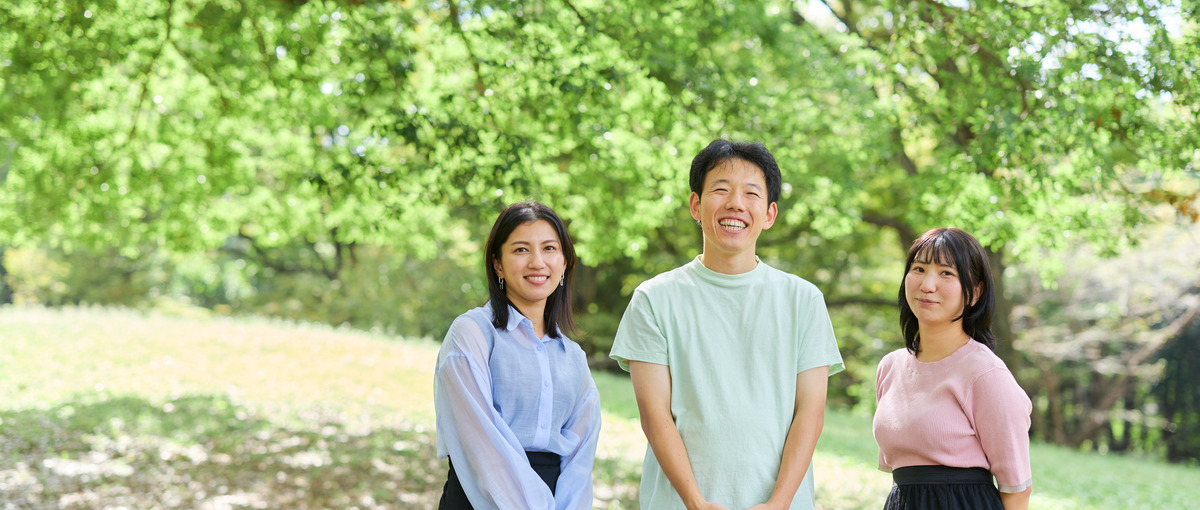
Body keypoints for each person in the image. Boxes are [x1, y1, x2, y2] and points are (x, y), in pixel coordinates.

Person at [609, 139, 844, 509]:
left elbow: (810, 413)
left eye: (751, 193)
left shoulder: (803, 300)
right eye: (721, 189)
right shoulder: (654, 298)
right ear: (696, 205)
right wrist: (696, 503)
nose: (735, 203)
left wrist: (778, 503)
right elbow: (655, 416)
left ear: (769, 214)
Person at [434, 200, 601, 510]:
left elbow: (580, 459)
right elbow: (480, 442)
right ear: (498, 263)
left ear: (564, 263)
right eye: (521, 250)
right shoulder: (471, 333)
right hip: (479, 498)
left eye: (549, 249)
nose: (537, 262)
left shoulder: (573, 358)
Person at [873, 228, 1033, 510]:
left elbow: (1017, 489)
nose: (927, 284)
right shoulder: (890, 367)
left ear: (975, 292)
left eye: (946, 273)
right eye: (919, 269)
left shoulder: (985, 373)